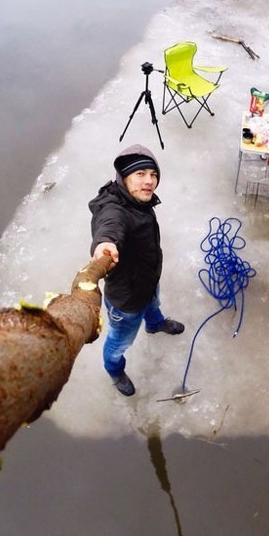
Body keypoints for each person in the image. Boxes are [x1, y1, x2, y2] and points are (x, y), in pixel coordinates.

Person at [89, 144, 184, 396]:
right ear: (124, 177)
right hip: (127, 301)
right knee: (119, 342)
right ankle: (115, 370)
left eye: (153, 175)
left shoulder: (139, 202)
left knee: (153, 304)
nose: (149, 181)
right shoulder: (115, 209)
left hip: (148, 281)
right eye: (140, 174)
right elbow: (109, 226)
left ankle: (155, 324)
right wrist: (105, 244)